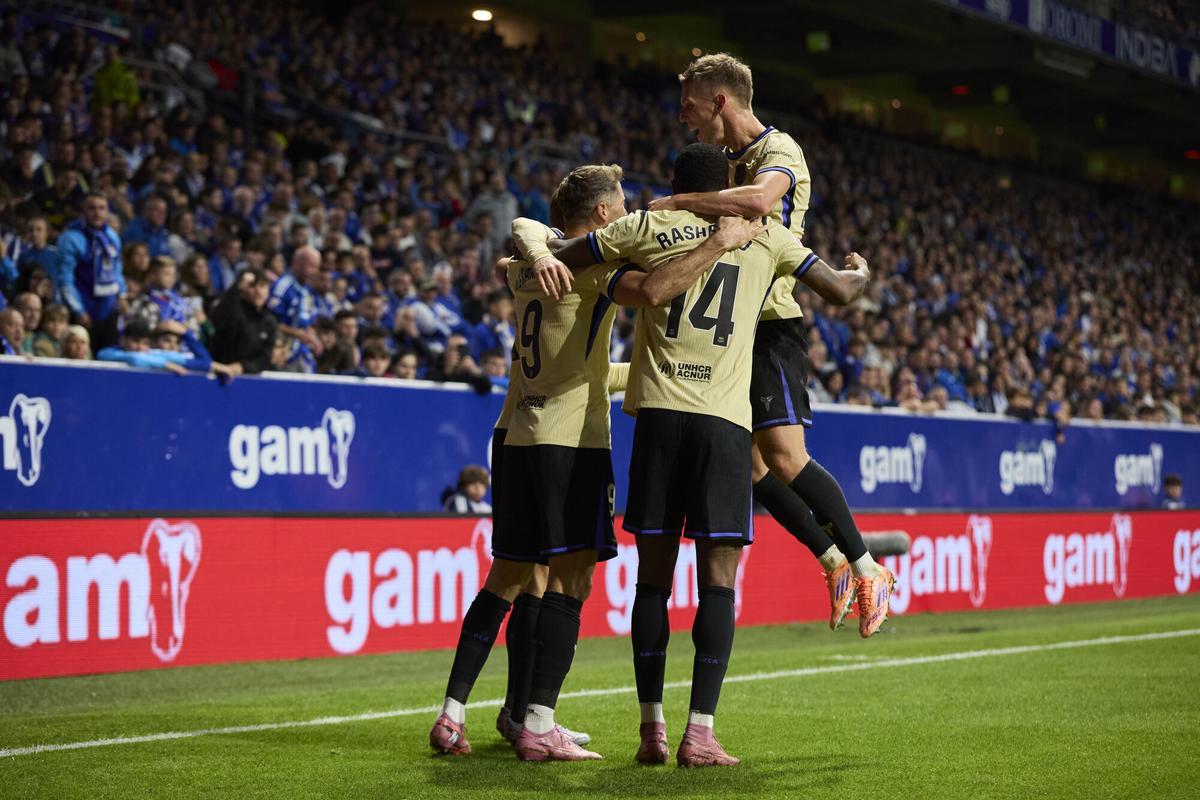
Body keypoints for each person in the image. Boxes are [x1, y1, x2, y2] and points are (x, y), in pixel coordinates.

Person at [512, 143, 870, 767]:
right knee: (718, 583)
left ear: (678, 185)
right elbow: (838, 292)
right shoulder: (766, 234)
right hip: (724, 425)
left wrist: (534, 257)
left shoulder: (645, 226)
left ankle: (650, 728)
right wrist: (859, 271)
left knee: (652, 581)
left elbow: (562, 251)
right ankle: (699, 733)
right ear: (727, 185)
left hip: (657, 419)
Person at [430, 162, 761, 763]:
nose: (628, 211)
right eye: (622, 203)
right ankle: (538, 721)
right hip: (570, 443)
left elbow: (524, 242)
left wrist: (538, 251)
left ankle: (457, 714)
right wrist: (718, 244)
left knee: (511, 578)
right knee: (570, 582)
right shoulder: (596, 269)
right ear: (604, 213)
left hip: (515, 435)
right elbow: (656, 291)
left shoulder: (526, 269)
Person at [646, 53, 893, 637]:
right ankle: (832, 560)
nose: (682, 118)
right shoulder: (724, 162)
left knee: (784, 457)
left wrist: (679, 202)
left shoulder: (778, 150)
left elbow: (759, 202)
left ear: (720, 101)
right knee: (752, 466)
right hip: (730, 325)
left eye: (689, 106)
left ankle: (867, 566)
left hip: (769, 322)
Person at [54, 192, 126, 351]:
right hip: (84, 311)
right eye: (92, 208)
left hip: (108, 310)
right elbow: (65, 279)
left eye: (101, 208)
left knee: (108, 356)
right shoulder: (70, 238)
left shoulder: (112, 236)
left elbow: (116, 268)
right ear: (83, 210)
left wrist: (122, 294)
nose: (97, 213)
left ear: (107, 211)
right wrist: (78, 310)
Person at [208, 268, 278, 375]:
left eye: (262, 286)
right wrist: (237, 287)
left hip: (250, 377)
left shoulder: (270, 321)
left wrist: (243, 366)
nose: (258, 292)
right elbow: (218, 317)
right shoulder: (233, 310)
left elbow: (265, 358)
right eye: (253, 286)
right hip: (220, 374)